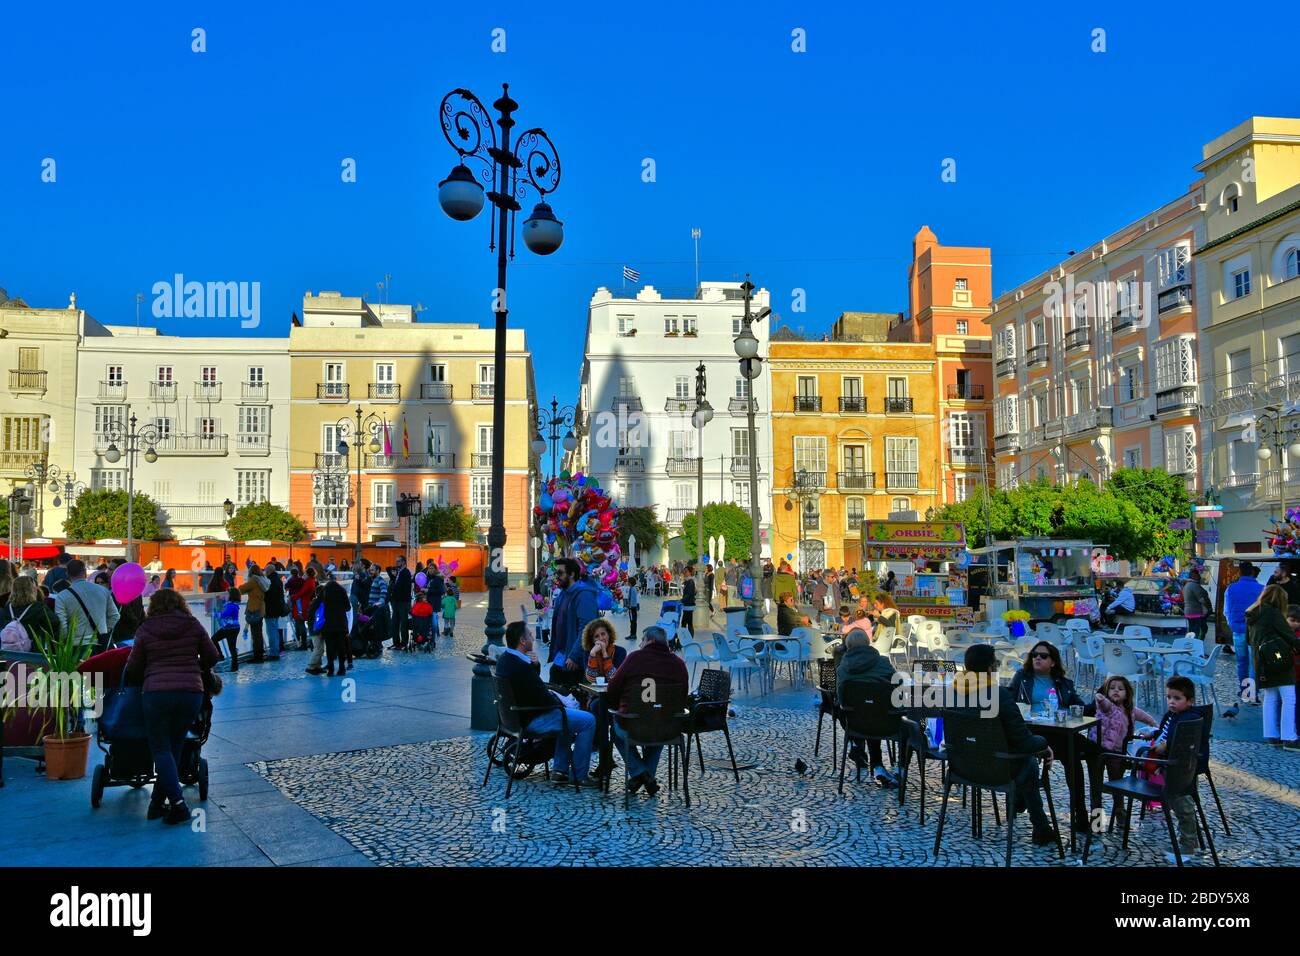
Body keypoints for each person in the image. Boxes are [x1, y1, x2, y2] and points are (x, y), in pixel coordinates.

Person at [124, 588, 221, 824]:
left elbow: (134, 667)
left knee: (160, 749)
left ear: (153, 606)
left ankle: (178, 804)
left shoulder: (146, 629)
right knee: (174, 748)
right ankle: (156, 804)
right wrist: (195, 665)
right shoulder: (192, 624)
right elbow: (212, 656)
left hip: (156, 693)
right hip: (190, 693)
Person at [960, 643, 1058, 846]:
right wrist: (1044, 743)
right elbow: (1023, 741)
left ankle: (1028, 811)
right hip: (997, 769)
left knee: (1025, 762)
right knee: (1029, 763)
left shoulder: (953, 693)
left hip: (963, 767)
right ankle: (1040, 827)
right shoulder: (999, 695)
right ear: (990, 669)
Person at [1008, 640, 1101, 833]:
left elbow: (1081, 708)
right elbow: (1009, 701)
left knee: (1094, 752)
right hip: (1033, 732)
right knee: (1072, 753)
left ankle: (1092, 812)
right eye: (1034, 655)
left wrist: (1101, 700)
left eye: (1043, 656)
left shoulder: (1064, 683)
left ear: (1053, 662)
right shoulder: (1022, 677)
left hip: (1060, 731)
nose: (1037, 659)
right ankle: (1081, 815)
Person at [497, 620, 595, 784]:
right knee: (588, 721)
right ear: (522, 641)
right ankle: (579, 774)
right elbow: (541, 695)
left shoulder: (506, 659)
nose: (533, 638)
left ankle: (560, 770)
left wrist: (534, 666)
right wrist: (559, 702)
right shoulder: (520, 666)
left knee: (568, 718)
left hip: (515, 719)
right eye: (529, 635)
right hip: (532, 719)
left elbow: (529, 687)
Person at [604, 625, 687, 796]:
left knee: (617, 731)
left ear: (651, 640)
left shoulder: (634, 658)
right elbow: (682, 697)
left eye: (642, 640)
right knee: (658, 725)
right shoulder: (679, 664)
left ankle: (640, 774)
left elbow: (612, 687)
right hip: (667, 728)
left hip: (633, 725)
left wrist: (619, 703)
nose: (640, 644)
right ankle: (647, 776)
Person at [1132, 676, 1206, 862]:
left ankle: (1188, 844)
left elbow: (1182, 739)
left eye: (1177, 698)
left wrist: (1167, 745)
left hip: (1180, 768)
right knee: (1178, 802)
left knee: (1182, 804)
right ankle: (1189, 841)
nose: (1171, 702)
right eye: (1169, 697)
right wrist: (1153, 734)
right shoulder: (1172, 716)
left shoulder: (1189, 718)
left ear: (1189, 701)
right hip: (1169, 765)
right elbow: (1164, 731)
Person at [835, 628, 899, 787]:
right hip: (886, 722)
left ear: (848, 647)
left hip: (855, 724)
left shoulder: (843, 668)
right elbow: (898, 686)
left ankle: (857, 745)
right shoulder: (883, 663)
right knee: (875, 710)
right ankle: (899, 767)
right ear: (868, 643)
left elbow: (842, 698)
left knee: (863, 710)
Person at [1246, 584, 1300, 749]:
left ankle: (1271, 735)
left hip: (1261, 662)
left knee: (1270, 698)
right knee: (1289, 699)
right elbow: (1290, 636)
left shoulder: (1252, 614)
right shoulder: (1274, 614)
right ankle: (1289, 738)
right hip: (1279, 661)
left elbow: (1249, 640)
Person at [1092, 675, 1157, 780]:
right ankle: (1096, 795)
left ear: (1127, 694)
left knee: (1116, 778)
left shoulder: (1131, 710)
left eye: (1120, 689)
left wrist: (1156, 728)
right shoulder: (1108, 707)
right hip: (1100, 748)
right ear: (1107, 692)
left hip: (1119, 751)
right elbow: (1104, 704)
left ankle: (1117, 796)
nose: (1116, 690)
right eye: (1112, 688)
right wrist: (1100, 699)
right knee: (1096, 777)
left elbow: (1147, 718)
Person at [548, 558, 598, 687]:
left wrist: (575, 655)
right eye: (555, 573)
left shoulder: (584, 595)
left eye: (560, 573)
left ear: (572, 574)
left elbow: (587, 628)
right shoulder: (563, 594)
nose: (556, 577)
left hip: (576, 661)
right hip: (561, 657)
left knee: (572, 697)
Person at [53, 559, 120, 652]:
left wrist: (64, 641)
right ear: (85, 572)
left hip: (76, 646)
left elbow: (62, 625)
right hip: (100, 645)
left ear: (67, 574)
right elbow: (115, 616)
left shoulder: (62, 596)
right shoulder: (103, 590)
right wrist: (103, 631)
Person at [1224, 561, 1264, 701]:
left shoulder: (1231, 588)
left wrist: (1232, 624)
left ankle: (1244, 691)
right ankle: (1253, 693)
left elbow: (1227, 611)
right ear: (1252, 572)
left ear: (1239, 572)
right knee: (1254, 663)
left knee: (1242, 662)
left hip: (1238, 631)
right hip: (1255, 631)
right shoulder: (1261, 589)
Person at [1, 575, 59, 648]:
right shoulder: (38, 607)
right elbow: (54, 623)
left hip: (10, 649)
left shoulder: (7, 607)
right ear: (33, 589)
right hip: (33, 650)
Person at [317, 571, 352, 677]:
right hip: (341, 624)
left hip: (328, 624)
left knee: (330, 647)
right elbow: (348, 607)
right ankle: (342, 668)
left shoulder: (324, 591)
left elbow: (319, 606)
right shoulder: (342, 591)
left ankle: (331, 669)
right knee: (341, 647)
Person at [238, 563, 269, 663]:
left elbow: (242, 589)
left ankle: (258, 657)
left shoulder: (254, 580)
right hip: (261, 608)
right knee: (258, 633)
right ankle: (259, 654)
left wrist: (232, 590)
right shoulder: (262, 580)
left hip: (254, 608)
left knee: (256, 634)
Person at [1181, 569, 1213, 646]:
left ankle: (1191, 647)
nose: (1199, 576)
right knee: (1199, 631)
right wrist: (1207, 608)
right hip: (1197, 613)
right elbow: (1202, 600)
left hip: (1189, 612)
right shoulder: (1194, 586)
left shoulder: (1187, 585)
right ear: (1194, 576)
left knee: (1192, 631)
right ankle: (1197, 648)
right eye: (1198, 575)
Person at [214, 588, 243, 670]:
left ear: (231, 596)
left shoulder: (230, 605)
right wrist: (220, 599)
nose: (225, 595)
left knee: (213, 639)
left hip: (229, 629)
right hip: (234, 628)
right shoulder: (234, 604)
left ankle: (220, 656)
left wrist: (216, 614)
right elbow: (226, 607)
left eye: (227, 594)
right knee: (232, 647)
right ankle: (234, 667)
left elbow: (225, 614)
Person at [365, 563, 390, 656]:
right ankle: (377, 644)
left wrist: (380, 601)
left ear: (378, 571)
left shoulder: (379, 580)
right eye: (370, 570)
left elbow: (384, 590)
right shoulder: (374, 579)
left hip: (377, 609)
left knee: (376, 627)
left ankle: (377, 646)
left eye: (372, 570)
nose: (370, 572)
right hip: (372, 607)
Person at [389, 556, 413, 649]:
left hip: (403, 602)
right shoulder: (399, 572)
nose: (396, 563)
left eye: (398, 561)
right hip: (396, 602)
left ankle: (404, 643)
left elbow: (406, 589)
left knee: (403, 624)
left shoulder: (406, 572)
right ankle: (396, 643)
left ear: (403, 562)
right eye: (396, 561)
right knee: (394, 623)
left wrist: (402, 600)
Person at [680, 564, 697, 640]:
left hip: (689, 605)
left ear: (690, 573)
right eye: (684, 571)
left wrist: (681, 600)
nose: (684, 573)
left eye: (686, 571)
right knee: (685, 622)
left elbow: (690, 594)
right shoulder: (687, 581)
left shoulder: (690, 582)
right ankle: (686, 638)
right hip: (687, 605)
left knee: (687, 623)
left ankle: (688, 638)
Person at [624, 573, 640, 640]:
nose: (627, 582)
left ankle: (633, 634)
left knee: (633, 621)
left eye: (628, 581)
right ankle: (632, 634)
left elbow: (632, 599)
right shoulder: (633, 588)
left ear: (630, 583)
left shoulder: (632, 589)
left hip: (632, 607)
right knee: (633, 621)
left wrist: (629, 606)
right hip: (633, 607)